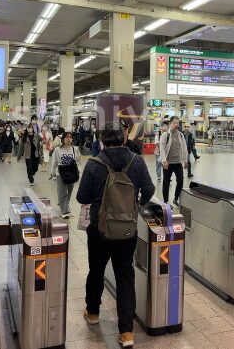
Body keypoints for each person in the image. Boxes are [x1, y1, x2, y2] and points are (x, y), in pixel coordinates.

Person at [76, 126, 154, 347]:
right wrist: (135, 205)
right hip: (127, 229)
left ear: (102, 142)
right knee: (125, 275)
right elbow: (149, 190)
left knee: (96, 270)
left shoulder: (93, 164)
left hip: (99, 230)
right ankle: (126, 332)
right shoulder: (137, 161)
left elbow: (82, 196)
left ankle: (92, 313)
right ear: (123, 140)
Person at [51, 131, 81, 218]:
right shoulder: (57, 149)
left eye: (70, 137)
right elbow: (55, 162)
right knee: (62, 192)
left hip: (71, 172)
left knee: (70, 192)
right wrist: (53, 172)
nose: (69, 139)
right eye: (67, 137)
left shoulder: (75, 149)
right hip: (61, 172)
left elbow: (78, 161)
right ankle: (65, 211)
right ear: (63, 139)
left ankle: (65, 207)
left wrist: (78, 170)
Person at [159, 116, 187, 205]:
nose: (176, 125)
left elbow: (184, 148)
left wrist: (185, 160)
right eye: (174, 123)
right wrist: (164, 160)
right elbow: (162, 148)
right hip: (168, 163)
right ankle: (166, 201)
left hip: (178, 162)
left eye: (177, 123)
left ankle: (175, 198)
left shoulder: (181, 135)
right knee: (166, 182)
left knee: (180, 180)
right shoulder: (165, 135)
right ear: (170, 123)